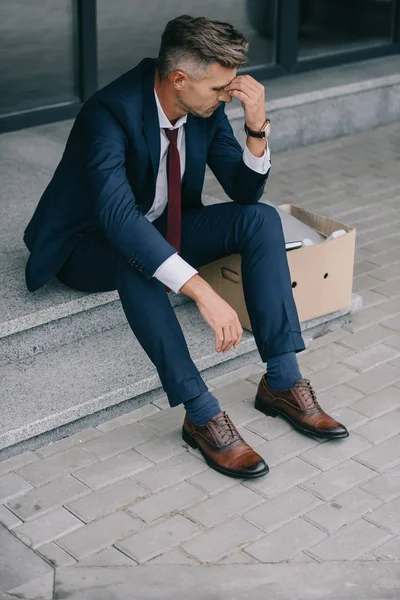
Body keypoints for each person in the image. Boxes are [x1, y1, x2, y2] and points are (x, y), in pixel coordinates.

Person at [23, 14, 348, 480]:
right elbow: (118, 220)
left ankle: (282, 380)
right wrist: (203, 292)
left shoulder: (204, 110)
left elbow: (244, 192)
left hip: (163, 226)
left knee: (259, 220)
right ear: (179, 79)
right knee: (136, 258)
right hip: (86, 245)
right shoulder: (107, 112)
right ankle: (200, 412)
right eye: (219, 89)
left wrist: (256, 127)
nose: (226, 98)